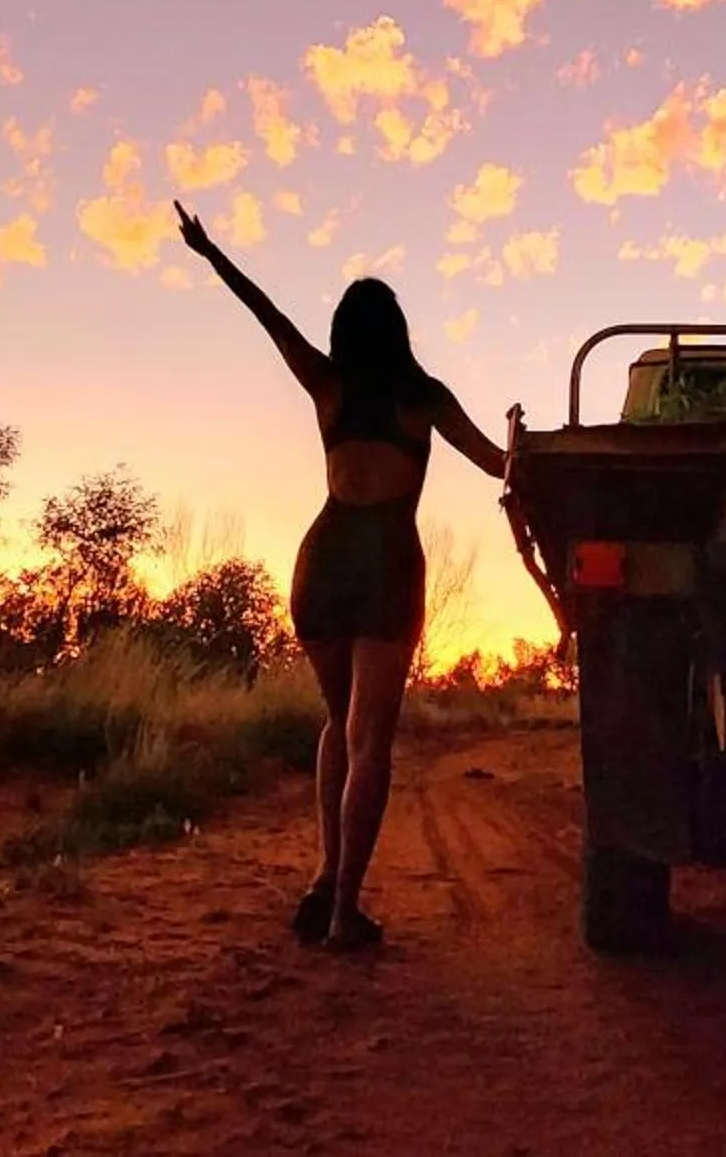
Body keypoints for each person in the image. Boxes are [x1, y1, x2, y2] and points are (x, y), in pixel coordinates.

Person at [175, 202, 506, 950]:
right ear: (399, 332)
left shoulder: (328, 385)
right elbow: (496, 463)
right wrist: (539, 452)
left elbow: (268, 315)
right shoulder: (424, 398)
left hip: (321, 562)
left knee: (338, 725)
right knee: (369, 742)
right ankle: (342, 910)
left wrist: (211, 251)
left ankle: (326, 879)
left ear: (343, 334)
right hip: (386, 565)